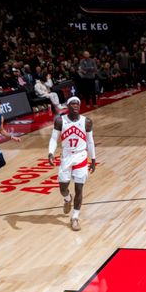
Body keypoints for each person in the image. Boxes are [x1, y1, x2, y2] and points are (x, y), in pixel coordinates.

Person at [47, 97, 95, 231]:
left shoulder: (87, 121)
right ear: (67, 106)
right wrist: (50, 153)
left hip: (81, 156)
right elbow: (53, 138)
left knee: (79, 189)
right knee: (63, 188)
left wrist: (93, 159)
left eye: (77, 103)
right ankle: (68, 199)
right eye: (73, 103)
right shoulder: (60, 121)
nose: (75, 105)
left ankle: (75, 217)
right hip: (66, 156)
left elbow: (90, 142)